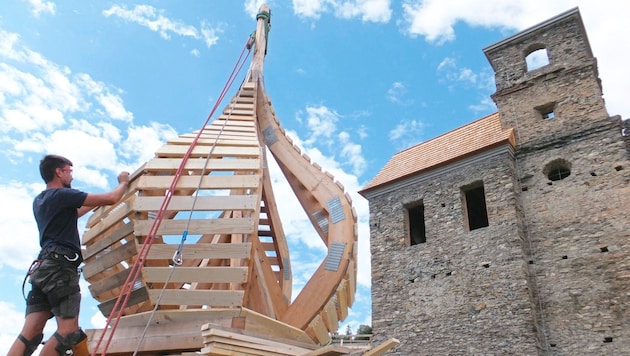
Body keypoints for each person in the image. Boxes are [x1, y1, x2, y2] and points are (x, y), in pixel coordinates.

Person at [8, 154, 130, 356]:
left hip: (42, 269)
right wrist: (123, 183)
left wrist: (99, 201)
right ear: (59, 172)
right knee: (68, 331)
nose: (71, 176)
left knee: (31, 331)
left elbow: (78, 210)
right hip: (60, 268)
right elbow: (112, 198)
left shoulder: (40, 201)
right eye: (69, 171)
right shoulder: (63, 195)